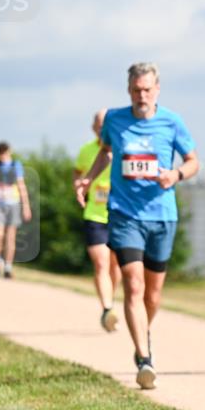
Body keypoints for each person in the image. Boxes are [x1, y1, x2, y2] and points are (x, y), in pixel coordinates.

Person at [75, 62, 199, 389]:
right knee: (133, 284)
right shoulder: (114, 119)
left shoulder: (172, 122)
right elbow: (106, 153)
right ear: (128, 91)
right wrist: (89, 178)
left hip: (162, 215)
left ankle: (144, 331)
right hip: (124, 214)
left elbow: (193, 162)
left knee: (152, 294)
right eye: (136, 90)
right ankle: (144, 359)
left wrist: (176, 174)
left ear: (157, 90)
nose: (141, 96)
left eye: (147, 90)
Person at [74, 109, 122, 332]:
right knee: (101, 263)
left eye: (105, 124)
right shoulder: (86, 150)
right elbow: (77, 172)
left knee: (116, 266)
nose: (102, 128)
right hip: (94, 214)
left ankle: (109, 300)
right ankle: (107, 308)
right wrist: (79, 185)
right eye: (99, 124)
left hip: (118, 213)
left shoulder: (122, 148)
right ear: (93, 127)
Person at [0, 142, 32, 278]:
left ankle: (8, 267)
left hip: (13, 203)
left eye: (4, 152)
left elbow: (21, 185)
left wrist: (26, 206)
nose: (2, 155)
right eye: (0, 152)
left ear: (9, 151)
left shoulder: (16, 165)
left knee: (11, 236)